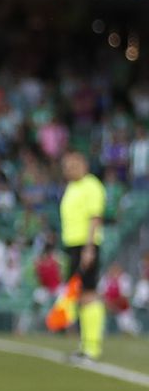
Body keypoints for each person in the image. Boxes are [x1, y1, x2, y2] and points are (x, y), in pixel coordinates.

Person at [57, 152, 108, 361]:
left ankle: (92, 346)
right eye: (66, 166)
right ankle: (85, 343)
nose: (68, 169)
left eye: (72, 165)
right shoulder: (71, 187)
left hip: (85, 245)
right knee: (79, 294)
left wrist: (89, 248)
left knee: (88, 293)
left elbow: (95, 217)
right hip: (72, 245)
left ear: (83, 164)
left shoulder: (91, 185)